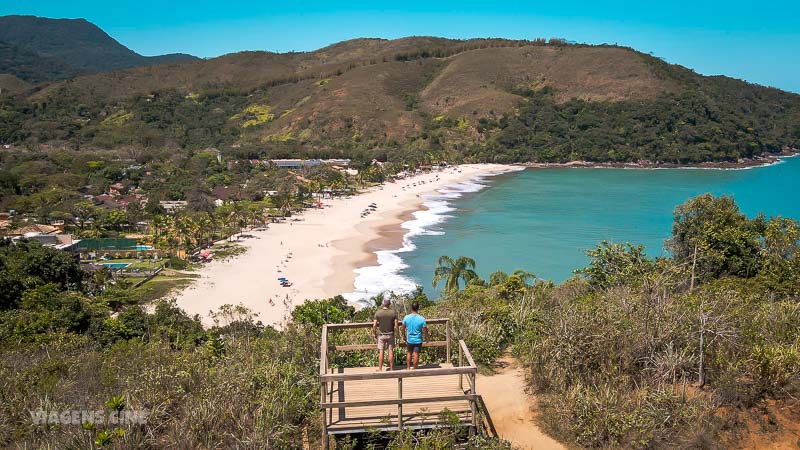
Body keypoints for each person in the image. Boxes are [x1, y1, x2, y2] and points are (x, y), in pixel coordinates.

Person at [372, 297, 398, 371]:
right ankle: (392, 368)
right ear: (389, 304)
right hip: (390, 334)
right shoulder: (393, 313)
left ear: (383, 303)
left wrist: (374, 333)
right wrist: (398, 334)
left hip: (381, 335)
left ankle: (380, 368)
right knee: (390, 351)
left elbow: (374, 325)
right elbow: (396, 325)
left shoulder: (378, 313)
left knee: (381, 351)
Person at [401, 301, 428, 370]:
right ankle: (415, 368)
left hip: (409, 339)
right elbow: (425, 329)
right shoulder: (421, 318)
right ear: (418, 308)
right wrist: (426, 337)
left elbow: (403, 327)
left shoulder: (406, 317)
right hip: (418, 339)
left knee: (409, 352)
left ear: (411, 308)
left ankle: (408, 367)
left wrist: (403, 335)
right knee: (416, 354)